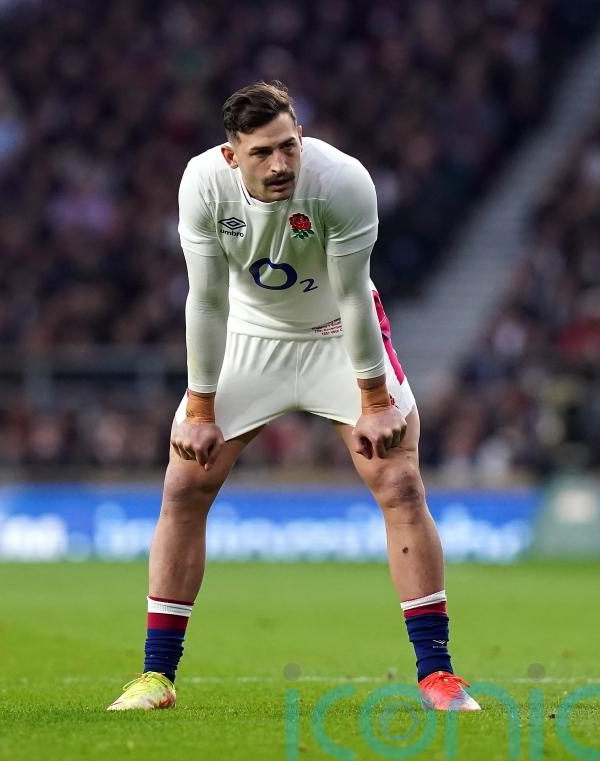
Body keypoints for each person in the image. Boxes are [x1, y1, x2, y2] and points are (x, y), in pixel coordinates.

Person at [107, 81, 480, 712]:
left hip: (336, 334)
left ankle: (437, 675)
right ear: (232, 156)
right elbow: (207, 300)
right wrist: (200, 410)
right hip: (249, 337)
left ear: (300, 135)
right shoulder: (202, 184)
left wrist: (374, 401)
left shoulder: (342, 181)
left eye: (288, 145)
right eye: (262, 153)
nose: (280, 164)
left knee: (400, 482)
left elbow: (354, 295)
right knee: (184, 484)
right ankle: (155, 677)